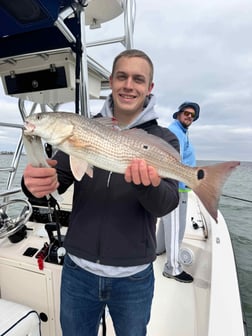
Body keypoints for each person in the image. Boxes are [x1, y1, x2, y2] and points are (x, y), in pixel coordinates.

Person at [22, 49, 180, 336]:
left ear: (149, 88)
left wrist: (147, 185)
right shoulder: (83, 129)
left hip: (133, 277)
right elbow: (56, 180)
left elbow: (167, 204)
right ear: (111, 80)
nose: (129, 85)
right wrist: (33, 185)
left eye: (138, 79)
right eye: (121, 76)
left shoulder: (163, 139)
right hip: (78, 272)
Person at [156, 101, 200, 283]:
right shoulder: (175, 131)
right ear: (178, 114)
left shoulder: (182, 132)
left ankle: (157, 249)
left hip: (179, 184)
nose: (189, 116)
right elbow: (172, 160)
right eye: (186, 113)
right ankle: (172, 268)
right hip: (175, 185)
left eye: (192, 115)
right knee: (176, 226)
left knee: (167, 223)